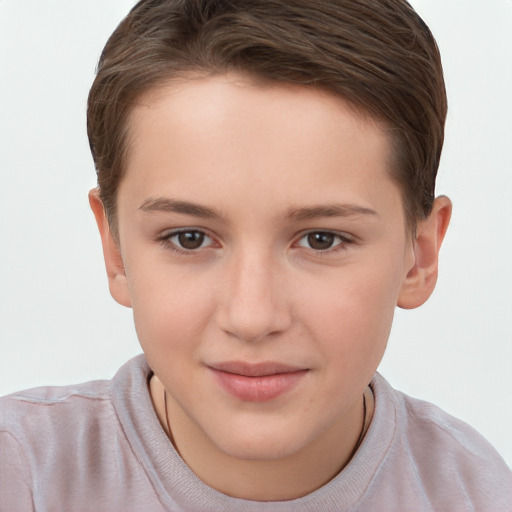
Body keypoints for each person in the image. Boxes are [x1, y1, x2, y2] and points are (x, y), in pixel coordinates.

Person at [0, 0, 510, 510]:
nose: (252, 317)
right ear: (114, 248)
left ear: (418, 256)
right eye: (189, 238)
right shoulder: (20, 474)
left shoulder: (478, 494)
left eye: (321, 240)